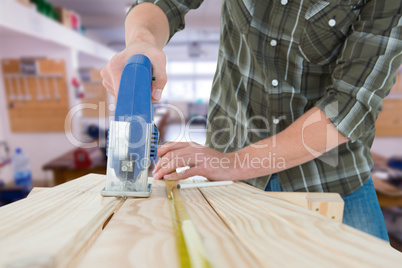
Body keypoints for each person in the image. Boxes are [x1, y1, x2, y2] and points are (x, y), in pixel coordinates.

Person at [101, 0, 402, 241]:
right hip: (232, 183)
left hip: (333, 179)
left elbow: (350, 104)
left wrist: (233, 162)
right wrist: (141, 42)